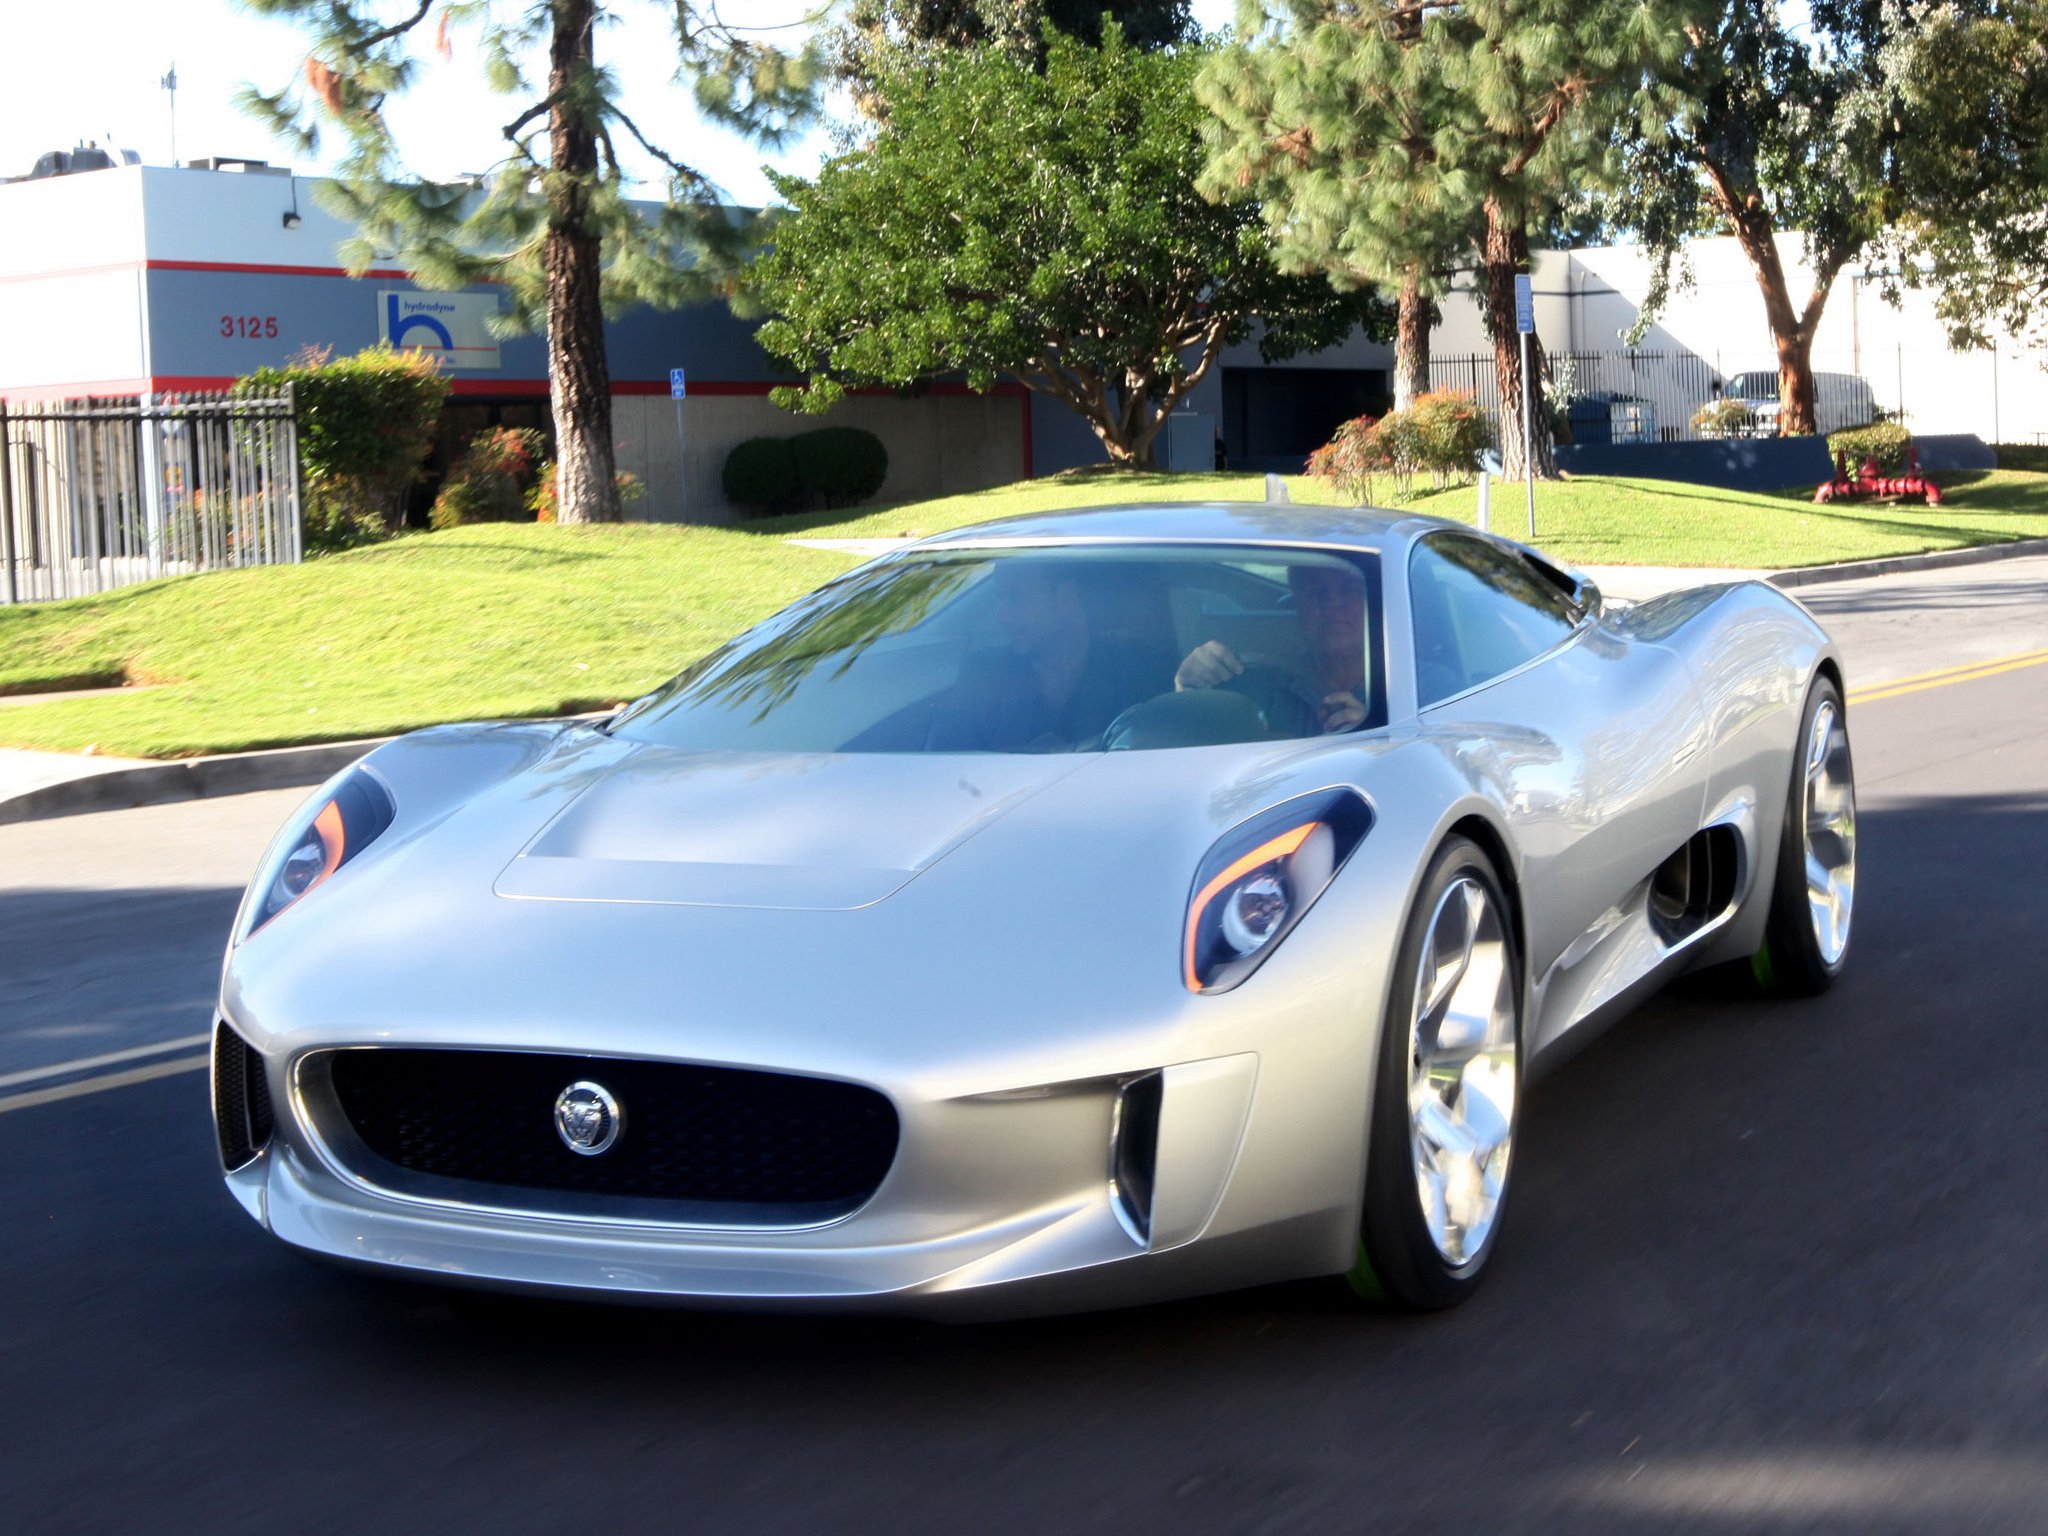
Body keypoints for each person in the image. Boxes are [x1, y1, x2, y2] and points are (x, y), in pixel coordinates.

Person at [1174, 561, 1370, 734]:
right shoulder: (1257, 686)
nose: (1332, 603)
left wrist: (1373, 736)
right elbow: (1194, 744)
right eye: (1316, 591)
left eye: (1351, 590)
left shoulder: (1399, 692)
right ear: (1298, 607)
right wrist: (1189, 689)